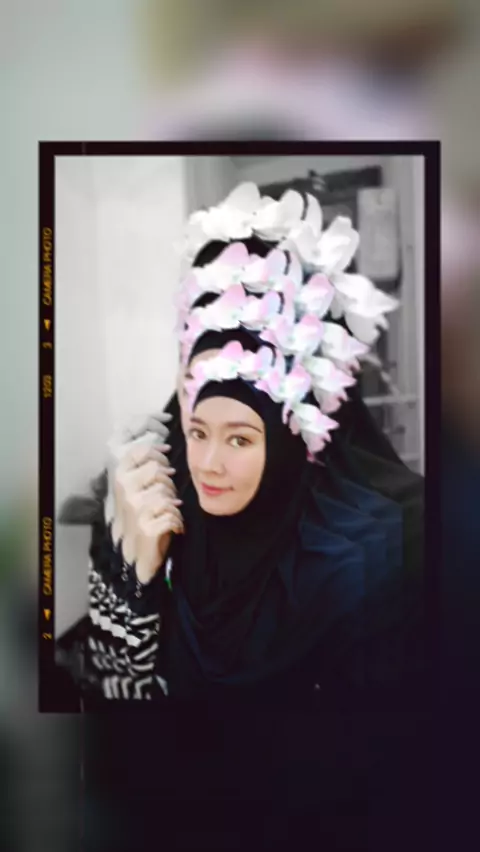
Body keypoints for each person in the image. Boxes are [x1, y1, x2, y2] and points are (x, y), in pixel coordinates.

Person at [63, 183, 425, 710]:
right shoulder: (148, 496)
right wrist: (134, 581)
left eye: (240, 437)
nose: (207, 465)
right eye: (197, 429)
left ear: (294, 434)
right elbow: (109, 687)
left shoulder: (394, 542)